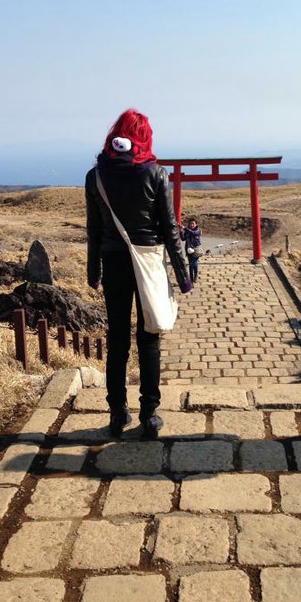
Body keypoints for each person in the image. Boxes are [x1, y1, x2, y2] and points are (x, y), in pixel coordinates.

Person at [85, 109, 192, 439]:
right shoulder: (155, 174)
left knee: (117, 337)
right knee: (149, 337)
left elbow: (94, 229)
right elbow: (169, 228)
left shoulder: (96, 176)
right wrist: (183, 273)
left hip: (113, 261)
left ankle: (117, 412)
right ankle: (150, 413)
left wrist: (94, 271)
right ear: (144, 138)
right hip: (147, 263)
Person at [181, 217, 202, 284]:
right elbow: (183, 239)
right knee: (191, 264)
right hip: (188, 249)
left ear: (196, 224)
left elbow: (194, 233)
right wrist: (181, 232)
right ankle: (191, 280)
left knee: (194, 264)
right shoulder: (187, 231)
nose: (191, 225)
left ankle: (195, 275)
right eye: (190, 224)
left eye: (193, 224)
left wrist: (185, 229)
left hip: (196, 249)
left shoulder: (198, 230)